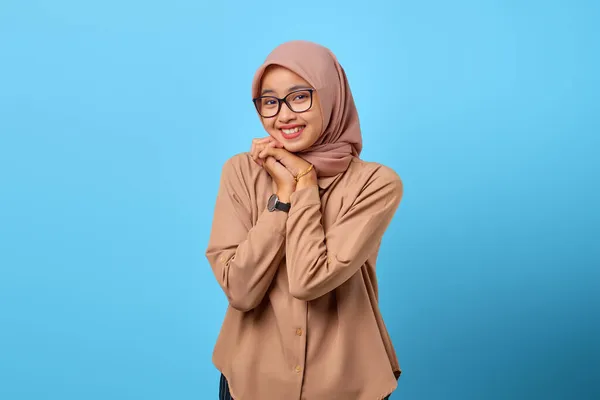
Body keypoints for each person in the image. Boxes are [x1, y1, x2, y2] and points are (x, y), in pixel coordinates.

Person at [205, 40, 403, 400]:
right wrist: (282, 197)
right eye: (270, 102)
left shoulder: (375, 184)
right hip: (251, 380)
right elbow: (240, 290)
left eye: (299, 97)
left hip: (347, 383)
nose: (283, 116)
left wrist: (305, 182)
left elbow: (309, 280)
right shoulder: (240, 172)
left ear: (330, 96)